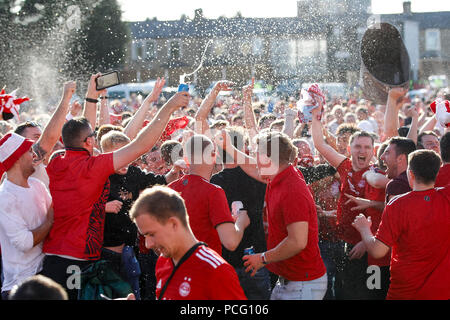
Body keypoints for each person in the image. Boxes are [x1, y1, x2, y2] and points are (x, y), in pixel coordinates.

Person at [40, 73, 189, 300]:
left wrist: (92, 97)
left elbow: (81, 133)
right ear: (90, 142)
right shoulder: (93, 167)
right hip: (78, 261)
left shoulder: (57, 160)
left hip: (52, 257)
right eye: (93, 136)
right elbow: (141, 145)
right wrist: (169, 106)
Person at [240, 131, 327, 300]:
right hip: (292, 280)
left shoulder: (291, 190)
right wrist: (229, 147)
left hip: (303, 282)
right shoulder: (280, 175)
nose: (254, 158)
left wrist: (263, 258)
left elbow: (297, 242)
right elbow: (251, 167)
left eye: (257, 153)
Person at [352, 150, 450, 300]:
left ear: (410, 174)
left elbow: (377, 251)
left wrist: (364, 228)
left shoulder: (397, 204)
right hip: (441, 291)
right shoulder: (446, 197)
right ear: (437, 173)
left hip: (404, 291)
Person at [311, 106, 385, 300]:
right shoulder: (344, 167)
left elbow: (389, 213)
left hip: (370, 251)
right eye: (358, 147)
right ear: (350, 149)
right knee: (344, 293)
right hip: (345, 245)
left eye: (367, 147)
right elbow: (319, 143)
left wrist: (366, 241)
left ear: (373, 150)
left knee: (370, 294)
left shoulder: (378, 175)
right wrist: (316, 115)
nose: (362, 151)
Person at [129, 186, 247, 300]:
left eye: (152, 234)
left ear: (173, 224)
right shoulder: (163, 261)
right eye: (145, 236)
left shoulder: (215, 270)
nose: (148, 244)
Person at [210, 128, 271, 300]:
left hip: (228, 260)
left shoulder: (214, 182)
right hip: (256, 257)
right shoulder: (258, 176)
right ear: (243, 148)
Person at [168, 134, 250, 256]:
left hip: (175, 266)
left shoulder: (170, 189)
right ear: (213, 156)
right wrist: (242, 222)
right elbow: (231, 242)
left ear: (186, 159)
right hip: (204, 266)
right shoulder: (213, 192)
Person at [0, 133, 53, 299]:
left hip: (45, 276)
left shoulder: (37, 185)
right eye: (30, 151)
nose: (35, 155)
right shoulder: (5, 197)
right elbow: (24, 242)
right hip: (20, 287)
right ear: (16, 158)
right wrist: (50, 221)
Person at [380, 137, 417, 201]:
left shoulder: (397, 185)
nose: (381, 157)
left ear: (400, 158)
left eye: (387, 153)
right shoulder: (422, 180)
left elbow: (394, 211)